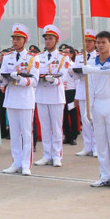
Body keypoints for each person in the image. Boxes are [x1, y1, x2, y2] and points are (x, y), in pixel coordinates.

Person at [77, 30, 110, 190]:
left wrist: (90, 70)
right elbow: (89, 86)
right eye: (98, 42)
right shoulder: (91, 62)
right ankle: (104, 175)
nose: (100, 45)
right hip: (98, 103)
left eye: (103, 42)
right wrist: (88, 109)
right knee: (101, 141)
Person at [0, 24, 41, 176]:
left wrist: (20, 79)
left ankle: (26, 164)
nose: (15, 41)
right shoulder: (7, 57)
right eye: (14, 39)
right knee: (15, 133)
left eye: (18, 39)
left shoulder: (32, 58)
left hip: (25, 99)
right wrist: (1, 79)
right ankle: (16, 162)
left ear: (25, 41)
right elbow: (3, 78)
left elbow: (35, 81)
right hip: (11, 98)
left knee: (26, 133)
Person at [35, 25, 69, 167]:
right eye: (46, 39)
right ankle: (46, 154)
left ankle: (56, 155)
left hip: (55, 95)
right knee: (45, 127)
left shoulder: (63, 57)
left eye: (51, 39)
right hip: (42, 94)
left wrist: (54, 80)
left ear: (56, 40)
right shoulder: (38, 57)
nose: (48, 41)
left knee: (56, 127)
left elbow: (64, 74)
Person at [72, 30, 97, 156]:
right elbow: (75, 76)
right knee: (85, 119)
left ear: (94, 43)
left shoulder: (98, 56)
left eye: (89, 41)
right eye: (85, 41)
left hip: (94, 90)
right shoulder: (79, 57)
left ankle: (97, 147)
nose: (87, 44)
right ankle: (88, 146)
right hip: (82, 89)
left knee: (95, 119)